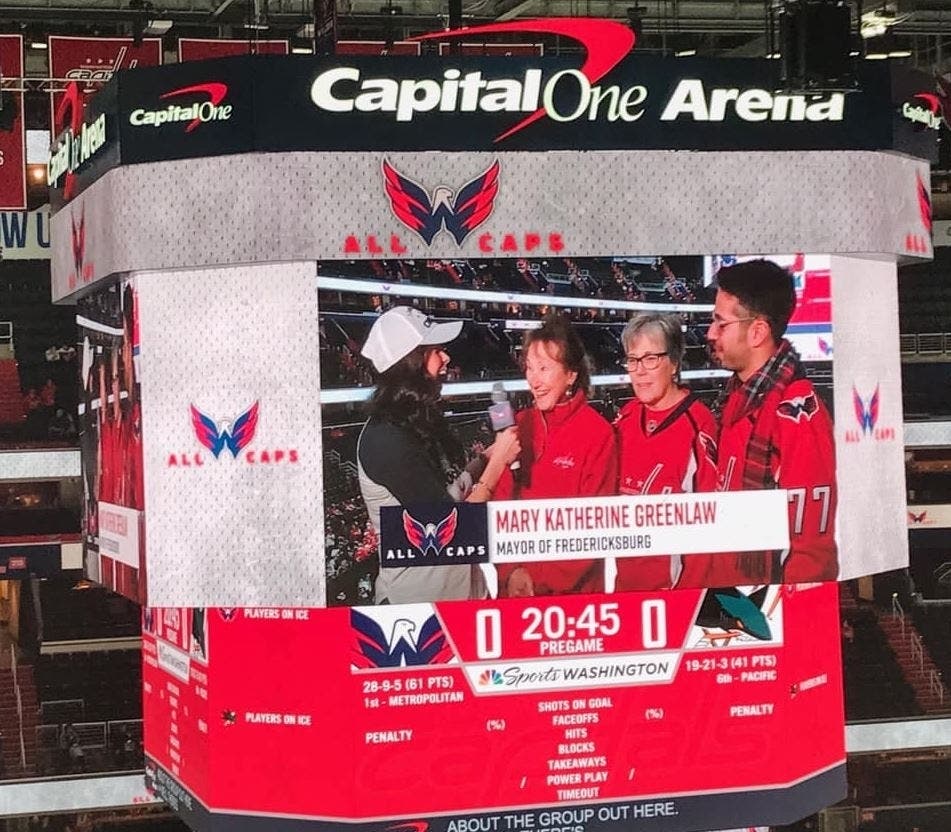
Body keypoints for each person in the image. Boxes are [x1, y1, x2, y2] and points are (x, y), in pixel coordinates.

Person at [358, 306, 520, 604]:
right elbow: (453, 530)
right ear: (410, 363)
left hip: (465, 594)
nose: (446, 358)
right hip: (420, 611)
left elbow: (448, 488)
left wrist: (486, 456)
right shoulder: (386, 440)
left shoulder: (416, 420)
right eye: (435, 351)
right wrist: (497, 464)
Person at [705, 258, 838, 584]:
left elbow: (811, 551)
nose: (711, 334)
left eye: (721, 324)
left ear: (757, 332)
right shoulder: (738, 396)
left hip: (764, 609)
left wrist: (792, 622)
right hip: (727, 594)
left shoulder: (796, 415)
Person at [494, 313, 617, 596]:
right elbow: (499, 505)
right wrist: (510, 571)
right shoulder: (518, 424)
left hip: (571, 596)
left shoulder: (598, 434)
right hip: (513, 587)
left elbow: (593, 527)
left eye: (544, 368)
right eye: (529, 368)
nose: (534, 381)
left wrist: (539, 580)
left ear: (571, 374)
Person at [614, 312, 718, 591]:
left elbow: (710, 525)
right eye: (633, 360)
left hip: (674, 592)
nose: (640, 370)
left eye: (651, 358)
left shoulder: (699, 425)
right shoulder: (626, 417)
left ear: (673, 363)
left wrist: (687, 599)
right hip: (625, 588)